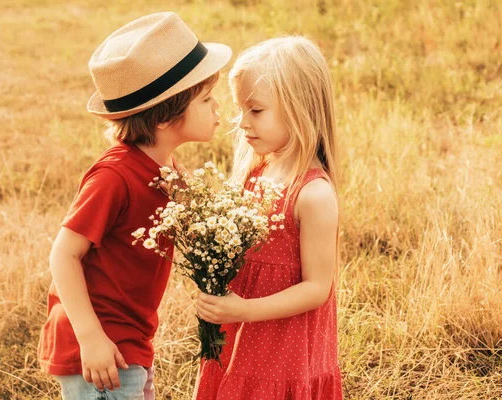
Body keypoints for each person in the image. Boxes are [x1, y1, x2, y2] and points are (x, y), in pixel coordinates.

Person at [37, 12, 231, 400]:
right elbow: (63, 255)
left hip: (130, 339)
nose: (217, 108)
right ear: (168, 115)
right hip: (99, 348)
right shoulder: (115, 177)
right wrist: (91, 337)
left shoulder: (168, 169)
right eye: (207, 99)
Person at [194, 36, 343, 400]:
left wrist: (244, 309)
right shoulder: (257, 173)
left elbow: (317, 288)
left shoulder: (314, 194)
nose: (242, 123)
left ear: (299, 109)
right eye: (240, 109)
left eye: (256, 111)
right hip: (240, 337)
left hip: (285, 351)